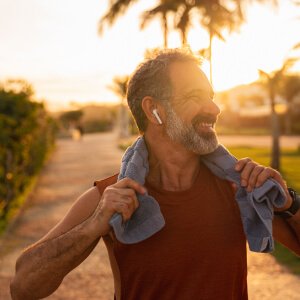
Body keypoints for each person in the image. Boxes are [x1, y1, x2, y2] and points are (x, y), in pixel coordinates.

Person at [10, 49, 300, 300]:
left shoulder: (238, 186)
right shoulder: (110, 197)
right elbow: (23, 288)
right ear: (154, 109)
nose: (214, 108)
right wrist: (94, 225)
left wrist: (288, 203)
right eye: (195, 96)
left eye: (211, 96)